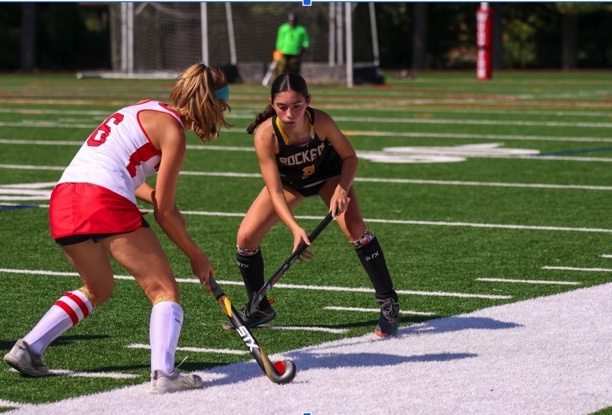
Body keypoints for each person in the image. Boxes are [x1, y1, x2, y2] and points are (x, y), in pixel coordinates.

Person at [3, 63, 231, 393]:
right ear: (208, 102)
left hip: (65, 198)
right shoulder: (173, 132)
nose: (221, 114)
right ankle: (164, 374)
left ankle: (29, 348)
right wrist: (197, 255)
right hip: (101, 199)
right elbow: (165, 215)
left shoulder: (145, 107)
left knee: (98, 287)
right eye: (221, 106)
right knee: (164, 290)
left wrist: (156, 197)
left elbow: (123, 171)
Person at [224, 72, 400, 337]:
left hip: (329, 177)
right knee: (246, 237)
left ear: (308, 101)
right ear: (272, 104)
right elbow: (274, 191)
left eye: (297, 106)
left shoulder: (321, 121)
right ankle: (258, 307)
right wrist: (295, 229)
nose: (289, 113)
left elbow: (350, 157)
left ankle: (389, 302)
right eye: (282, 107)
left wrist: (342, 189)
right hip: (290, 184)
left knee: (356, 230)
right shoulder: (265, 135)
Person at [273, 13, 310, 78]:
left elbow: (305, 42)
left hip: (295, 53)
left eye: (293, 20)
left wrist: (302, 50)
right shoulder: (283, 28)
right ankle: (278, 83)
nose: (292, 22)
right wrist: (278, 50)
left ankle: (294, 84)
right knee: (280, 69)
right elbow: (279, 40)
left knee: (294, 70)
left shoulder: (301, 30)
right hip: (283, 53)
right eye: (290, 20)